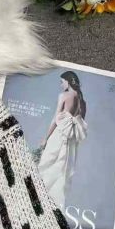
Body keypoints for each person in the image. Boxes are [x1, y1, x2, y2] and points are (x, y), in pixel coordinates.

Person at [37, 70, 88, 211]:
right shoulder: (83, 102)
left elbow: (55, 119)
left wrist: (46, 138)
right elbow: (80, 123)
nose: (61, 85)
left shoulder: (64, 96)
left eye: (62, 82)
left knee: (47, 164)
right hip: (71, 140)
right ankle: (54, 206)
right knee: (63, 171)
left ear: (68, 81)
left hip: (59, 135)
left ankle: (39, 200)